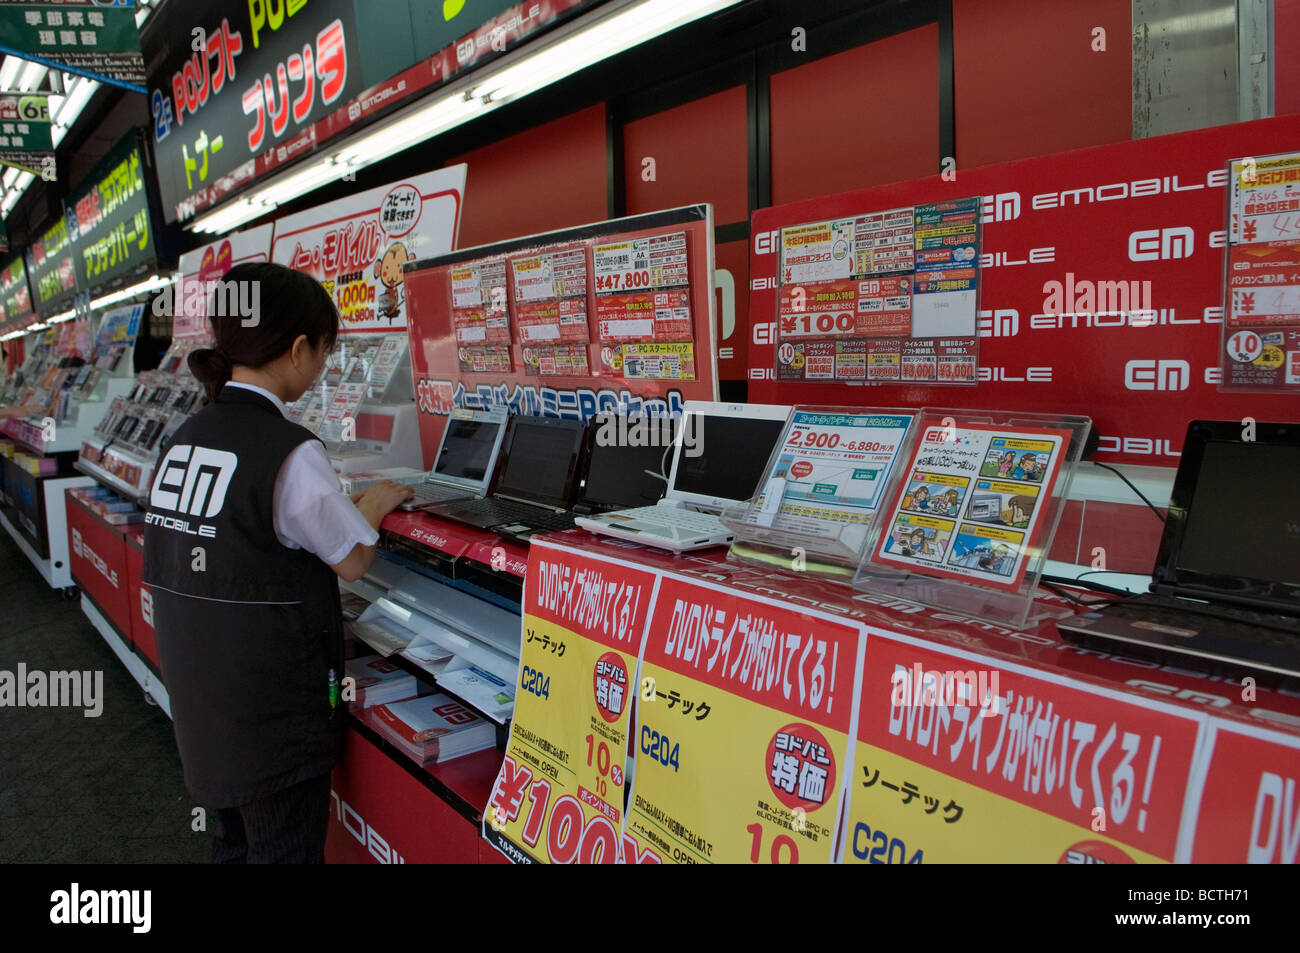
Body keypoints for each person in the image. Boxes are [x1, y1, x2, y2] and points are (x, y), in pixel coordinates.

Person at [142, 262, 413, 863]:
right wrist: (368, 503)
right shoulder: (288, 450)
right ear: (298, 348)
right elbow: (353, 559)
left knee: (233, 844)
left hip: (203, 700)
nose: (321, 370)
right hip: (271, 718)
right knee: (284, 853)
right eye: (323, 352)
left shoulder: (185, 437)